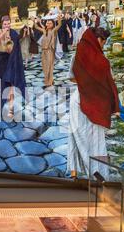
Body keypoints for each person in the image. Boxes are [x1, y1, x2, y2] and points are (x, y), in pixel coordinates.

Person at [67, 27, 119, 179]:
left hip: (79, 99)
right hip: (95, 103)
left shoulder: (78, 55)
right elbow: (109, 82)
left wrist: (85, 81)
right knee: (96, 141)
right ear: (98, 40)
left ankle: (74, 172)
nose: (103, 45)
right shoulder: (103, 61)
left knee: (76, 136)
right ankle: (98, 175)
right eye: (103, 42)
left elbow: (71, 77)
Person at [0, 15, 26, 118]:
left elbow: (13, 50)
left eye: (8, 24)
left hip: (10, 62)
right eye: (5, 24)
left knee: (10, 85)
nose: (7, 26)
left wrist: (10, 41)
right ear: (1, 24)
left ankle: (11, 108)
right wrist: (3, 33)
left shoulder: (13, 33)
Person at [34, 14, 63, 88]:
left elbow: (59, 25)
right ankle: (49, 79)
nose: (48, 24)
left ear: (53, 24)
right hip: (43, 51)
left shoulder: (53, 31)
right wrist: (35, 21)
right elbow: (36, 27)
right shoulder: (44, 30)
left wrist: (59, 18)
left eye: (50, 23)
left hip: (50, 51)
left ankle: (49, 82)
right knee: (44, 66)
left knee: (50, 66)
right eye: (47, 22)